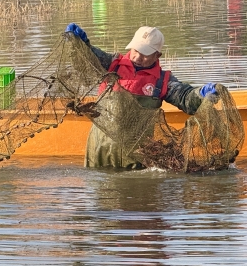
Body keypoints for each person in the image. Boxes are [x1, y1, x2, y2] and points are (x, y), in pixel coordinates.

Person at [64, 23, 218, 169]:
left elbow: (186, 98)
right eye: (135, 50)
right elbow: (87, 58)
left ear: (157, 55)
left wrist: (201, 94)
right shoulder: (112, 64)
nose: (137, 57)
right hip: (100, 151)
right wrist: (81, 43)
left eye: (145, 54)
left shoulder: (163, 80)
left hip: (136, 157)